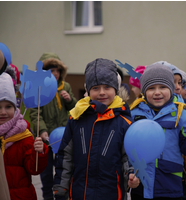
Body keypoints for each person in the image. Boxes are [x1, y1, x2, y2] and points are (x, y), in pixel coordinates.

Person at [53, 58, 139, 200]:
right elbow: (65, 156)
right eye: (95, 88)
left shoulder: (124, 122)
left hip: (112, 193)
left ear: (115, 90)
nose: (101, 92)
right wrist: (61, 188)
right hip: (80, 193)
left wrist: (131, 174)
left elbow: (129, 157)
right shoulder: (76, 117)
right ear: (88, 90)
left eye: (107, 87)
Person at [130, 63, 186, 200]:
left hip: (169, 185)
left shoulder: (181, 113)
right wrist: (129, 173)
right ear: (144, 91)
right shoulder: (134, 113)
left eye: (163, 87)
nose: (157, 92)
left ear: (171, 89)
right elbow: (128, 147)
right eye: (151, 88)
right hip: (141, 185)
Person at [28, 52, 77, 200]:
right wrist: (42, 131)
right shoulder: (38, 88)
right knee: (47, 173)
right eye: (51, 70)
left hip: (63, 136)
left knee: (64, 170)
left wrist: (69, 100)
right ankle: (48, 197)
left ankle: (62, 196)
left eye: (57, 70)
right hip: (46, 137)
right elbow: (35, 113)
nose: (55, 74)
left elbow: (75, 109)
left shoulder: (65, 86)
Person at [0, 72, 49, 200]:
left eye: (8, 106)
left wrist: (38, 152)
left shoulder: (23, 136)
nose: (3, 112)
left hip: (19, 196)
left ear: (16, 108)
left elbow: (34, 169)